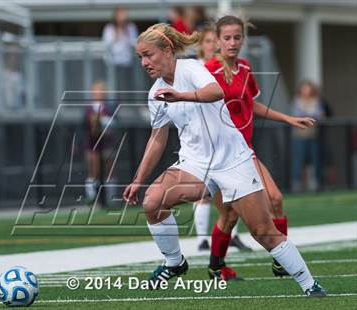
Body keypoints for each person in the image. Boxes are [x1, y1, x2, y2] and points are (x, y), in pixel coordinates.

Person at [124, 23, 326, 297]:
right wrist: (137, 180)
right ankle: (174, 263)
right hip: (195, 164)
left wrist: (182, 96)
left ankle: (309, 285)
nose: (144, 62)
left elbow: (215, 92)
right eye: (140, 57)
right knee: (152, 201)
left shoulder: (192, 68)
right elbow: (157, 139)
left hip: (233, 160)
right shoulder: (155, 94)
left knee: (262, 231)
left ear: (168, 50)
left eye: (149, 55)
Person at [204, 15, 318, 281]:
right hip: (220, 155)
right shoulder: (208, 71)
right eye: (227, 38)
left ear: (243, 39)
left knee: (275, 199)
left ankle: (279, 263)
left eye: (237, 37)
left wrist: (288, 117)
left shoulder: (244, 67)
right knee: (229, 214)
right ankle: (216, 267)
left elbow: (251, 105)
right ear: (218, 40)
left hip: (244, 150)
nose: (232, 42)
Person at [192, 25, 251, 252]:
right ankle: (201, 240)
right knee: (204, 192)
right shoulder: (197, 68)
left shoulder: (223, 66)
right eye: (206, 41)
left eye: (212, 41)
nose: (211, 46)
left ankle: (231, 236)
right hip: (203, 139)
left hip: (226, 139)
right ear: (200, 46)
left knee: (230, 192)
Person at [291, 80, 325, 192]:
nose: (306, 90)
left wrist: (307, 116)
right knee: (298, 161)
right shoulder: (297, 101)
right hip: (299, 136)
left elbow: (319, 115)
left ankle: (315, 184)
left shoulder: (316, 101)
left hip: (313, 135)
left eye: (308, 88)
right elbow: (296, 115)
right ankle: (297, 185)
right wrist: (308, 116)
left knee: (315, 160)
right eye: (304, 88)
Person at [84, 81, 115, 204]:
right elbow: (83, 126)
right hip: (92, 145)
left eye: (101, 90)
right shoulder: (88, 109)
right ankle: (92, 197)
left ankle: (110, 197)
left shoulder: (110, 107)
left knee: (109, 170)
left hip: (107, 144)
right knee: (93, 170)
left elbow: (115, 122)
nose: (99, 93)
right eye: (96, 90)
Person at [102, 6, 138, 94]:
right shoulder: (109, 28)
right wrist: (116, 32)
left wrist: (126, 32)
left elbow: (134, 42)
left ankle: (129, 105)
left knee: (128, 86)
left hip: (127, 61)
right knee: (115, 87)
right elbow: (106, 43)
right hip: (113, 62)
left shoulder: (130, 27)